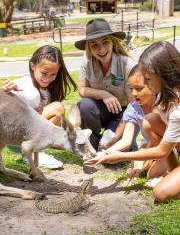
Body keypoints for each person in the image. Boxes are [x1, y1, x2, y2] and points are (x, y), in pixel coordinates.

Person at [84, 41, 180, 203]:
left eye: (148, 79)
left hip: (167, 149)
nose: (146, 84)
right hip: (172, 147)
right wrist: (107, 154)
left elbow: (162, 151)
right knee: (149, 121)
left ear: (163, 75)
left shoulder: (174, 108)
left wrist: (121, 156)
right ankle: (173, 170)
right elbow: (130, 139)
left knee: (160, 194)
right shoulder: (162, 98)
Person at [3, 45, 77, 169]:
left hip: (26, 135)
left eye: (53, 74)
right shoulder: (24, 85)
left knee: (59, 118)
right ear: (33, 66)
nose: (48, 78)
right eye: (44, 73)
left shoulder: (51, 89)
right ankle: (32, 153)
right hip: (14, 136)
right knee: (57, 108)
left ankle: (38, 150)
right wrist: (9, 90)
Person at [74, 18, 137, 151]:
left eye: (105, 42)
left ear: (113, 42)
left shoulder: (128, 65)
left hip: (124, 113)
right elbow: (81, 89)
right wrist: (104, 94)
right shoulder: (87, 62)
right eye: (94, 45)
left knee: (111, 149)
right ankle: (94, 139)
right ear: (89, 48)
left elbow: (134, 104)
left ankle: (116, 139)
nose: (101, 49)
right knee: (84, 104)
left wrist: (118, 133)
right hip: (99, 111)